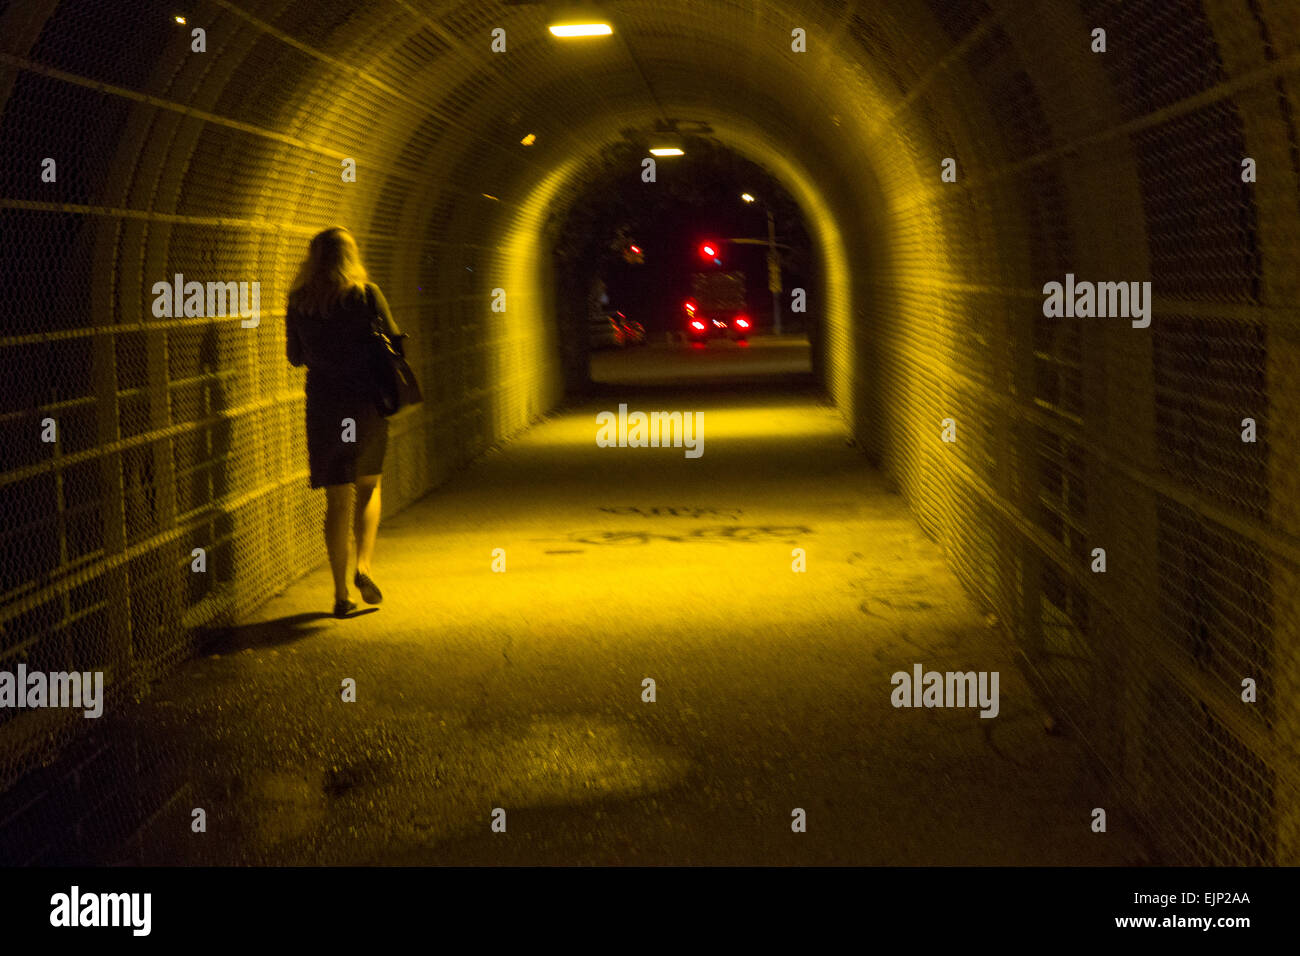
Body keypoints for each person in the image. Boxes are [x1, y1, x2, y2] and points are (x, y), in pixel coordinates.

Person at [285, 227, 405, 617]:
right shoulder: (365, 294)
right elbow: (394, 341)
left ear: (313, 257)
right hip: (366, 401)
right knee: (368, 486)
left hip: (324, 404)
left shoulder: (299, 301)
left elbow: (295, 357)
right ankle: (364, 567)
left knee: (337, 497)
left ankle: (340, 594)